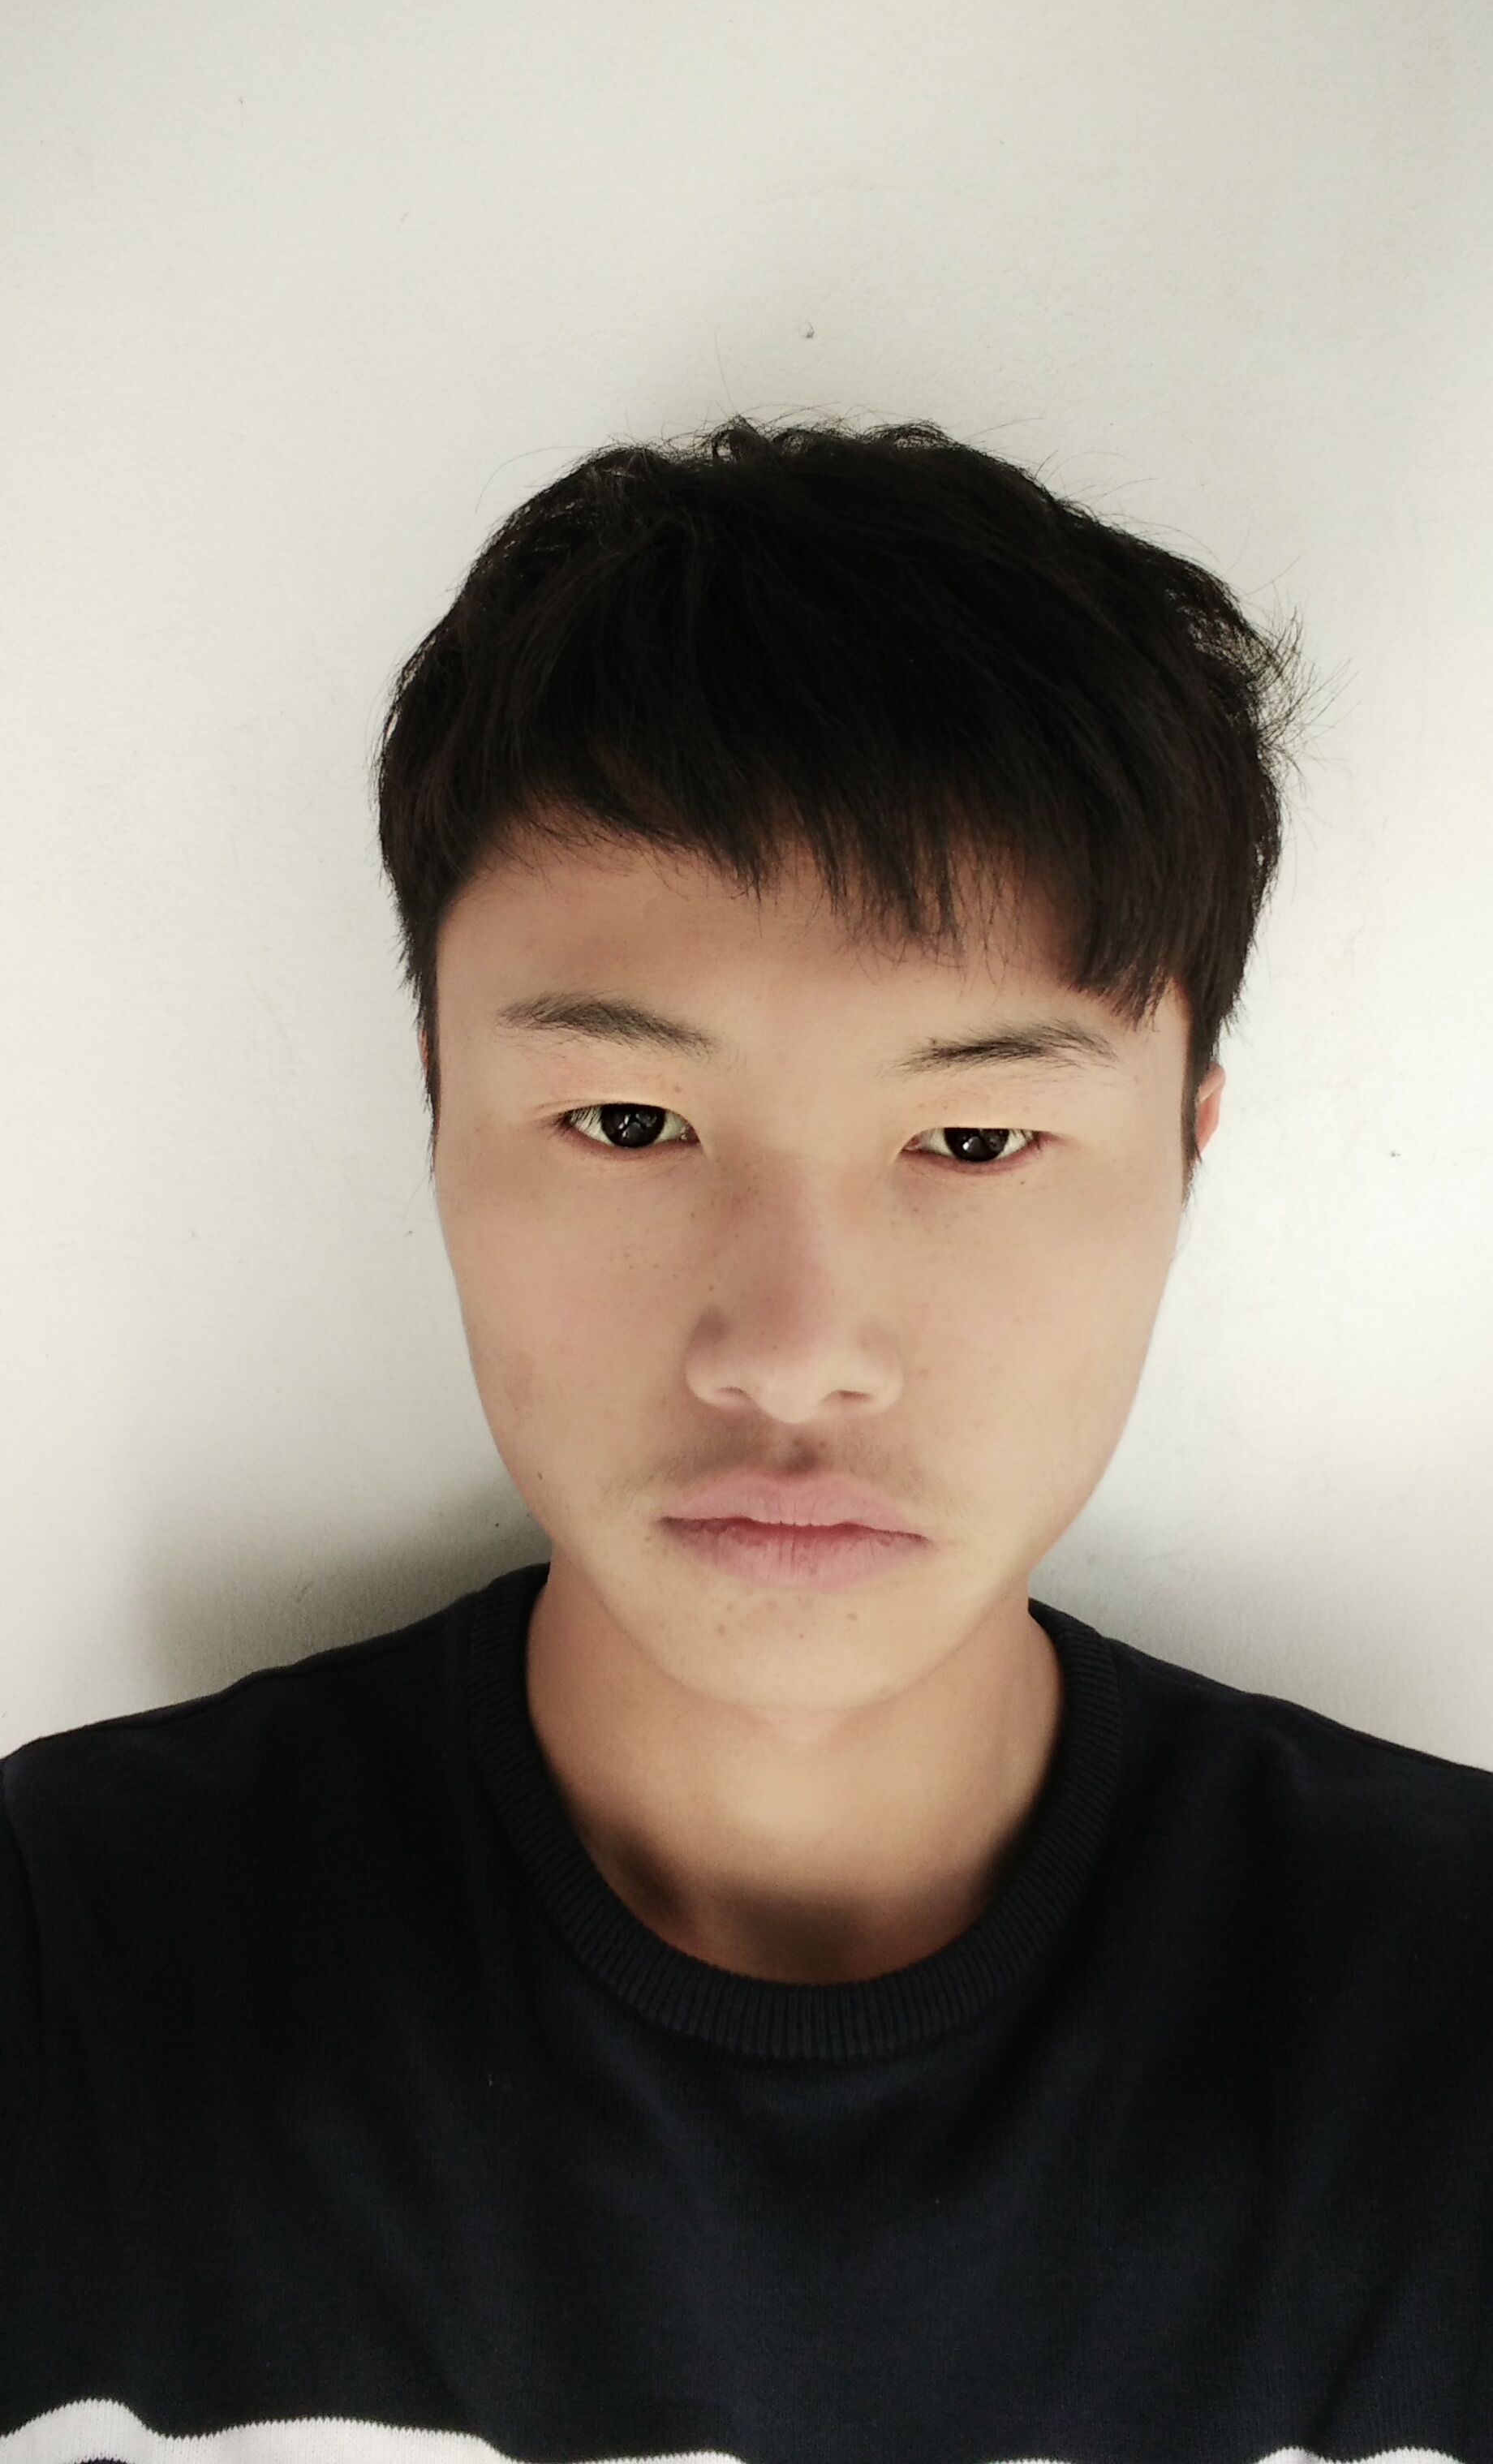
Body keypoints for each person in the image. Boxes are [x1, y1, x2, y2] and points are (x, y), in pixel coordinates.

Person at [3, 415, 1489, 2464]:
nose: (792, 1357)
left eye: (974, 1139)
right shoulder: (67, 1983)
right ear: (438, 1109)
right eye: (629, 1123)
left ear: (1183, 1152)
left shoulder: (1444, 2036)